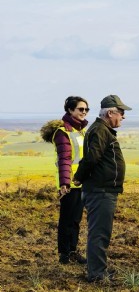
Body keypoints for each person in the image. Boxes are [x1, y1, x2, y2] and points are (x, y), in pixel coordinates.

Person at [73, 95, 132, 282]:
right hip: (100, 191)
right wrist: (78, 177)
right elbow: (92, 158)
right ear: (110, 113)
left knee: (101, 232)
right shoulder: (100, 130)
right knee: (99, 233)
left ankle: (99, 270)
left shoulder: (103, 130)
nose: (123, 117)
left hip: (104, 190)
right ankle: (97, 274)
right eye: (121, 113)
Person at [41, 96, 89, 265]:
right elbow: (64, 159)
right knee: (66, 219)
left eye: (86, 109)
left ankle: (73, 251)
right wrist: (64, 183)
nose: (84, 112)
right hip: (69, 183)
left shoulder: (80, 131)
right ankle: (64, 254)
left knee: (76, 219)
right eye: (80, 109)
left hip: (81, 181)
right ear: (70, 110)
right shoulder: (63, 132)